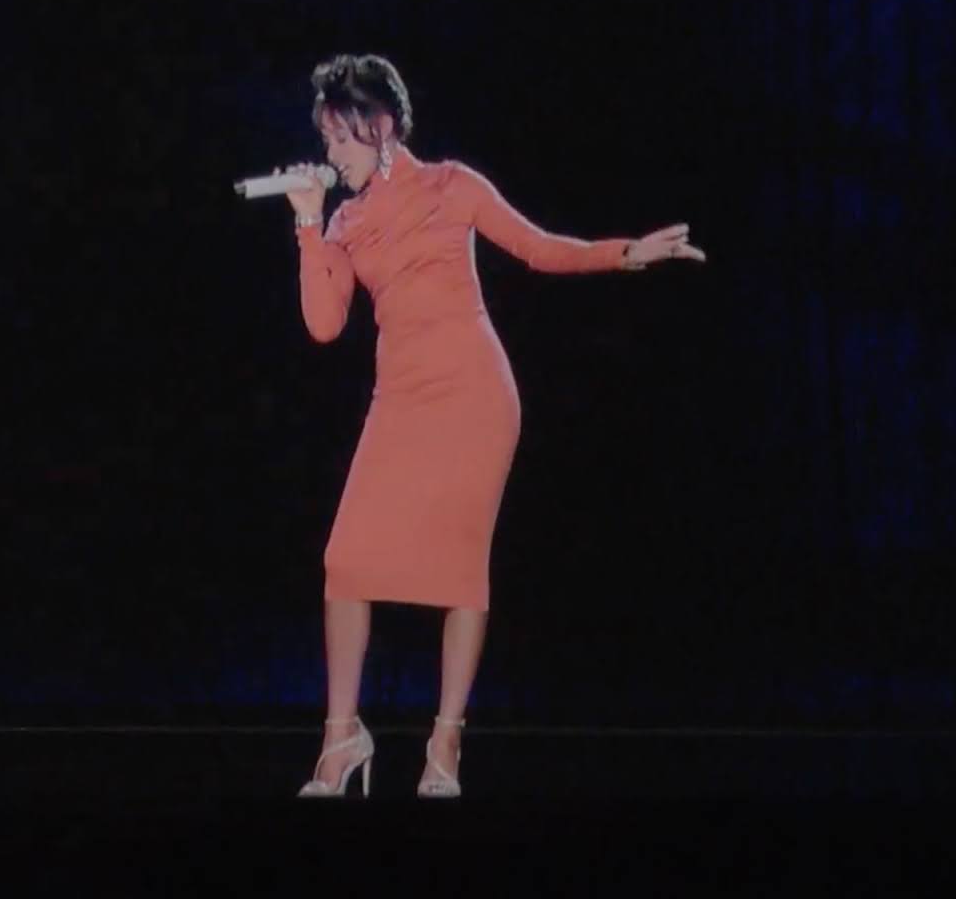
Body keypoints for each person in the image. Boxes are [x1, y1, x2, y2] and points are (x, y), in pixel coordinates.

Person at [283, 55, 703, 798]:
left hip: (475, 397)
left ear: (381, 126)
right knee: (345, 560)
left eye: (340, 137)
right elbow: (323, 325)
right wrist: (308, 223)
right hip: (399, 399)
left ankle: (445, 746)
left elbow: (540, 249)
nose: (331, 154)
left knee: (458, 569)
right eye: (325, 140)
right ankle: (341, 738)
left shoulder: (452, 185)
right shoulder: (344, 221)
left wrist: (627, 254)